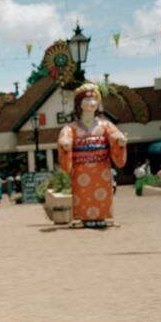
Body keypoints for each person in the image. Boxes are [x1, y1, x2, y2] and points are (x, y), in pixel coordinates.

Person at [57, 83, 128, 227]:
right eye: (87, 100)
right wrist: (65, 143)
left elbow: (114, 135)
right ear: (79, 103)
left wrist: (120, 140)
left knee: (103, 191)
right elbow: (66, 137)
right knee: (82, 193)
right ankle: (83, 218)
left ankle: (103, 217)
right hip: (81, 168)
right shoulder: (71, 128)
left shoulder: (105, 125)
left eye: (95, 99)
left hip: (101, 167)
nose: (92, 103)